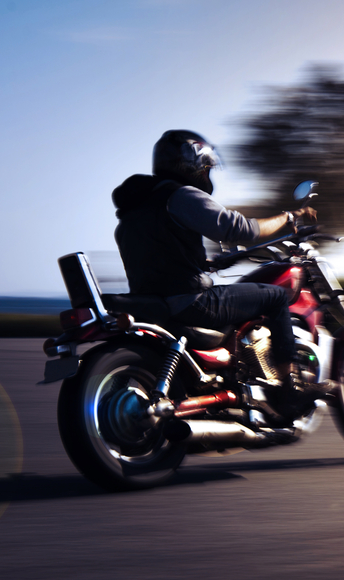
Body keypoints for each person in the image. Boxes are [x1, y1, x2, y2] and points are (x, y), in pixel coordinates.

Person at [111, 129, 331, 424]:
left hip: (156, 302)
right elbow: (241, 229)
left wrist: (208, 262)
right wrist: (289, 217)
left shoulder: (134, 213)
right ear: (190, 162)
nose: (207, 172)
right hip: (192, 302)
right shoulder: (179, 196)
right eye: (206, 165)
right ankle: (289, 389)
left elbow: (162, 257)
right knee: (277, 296)